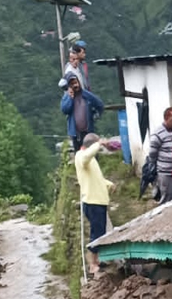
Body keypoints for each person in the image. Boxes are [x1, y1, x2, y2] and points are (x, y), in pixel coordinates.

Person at [74, 133, 114, 278]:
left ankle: (98, 260)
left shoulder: (91, 160)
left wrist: (108, 184)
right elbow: (85, 157)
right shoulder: (81, 156)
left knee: (100, 232)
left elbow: (97, 178)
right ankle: (92, 264)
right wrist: (99, 144)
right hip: (92, 201)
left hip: (99, 201)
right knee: (96, 234)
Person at [60, 73, 103, 152]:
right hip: (76, 134)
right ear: (69, 86)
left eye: (76, 82)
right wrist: (71, 98)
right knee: (79, 156)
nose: (75, 85)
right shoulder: (67, 97)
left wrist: (96, 115)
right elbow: (65, 110)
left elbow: (99, 104)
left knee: (91, 154)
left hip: (88, 132)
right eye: (72, 84)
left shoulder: (86, 95)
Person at [147, 107, 172, 203]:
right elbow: (152, 154)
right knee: (166, 198)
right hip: (165, 173)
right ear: (166, 119)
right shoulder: (157, 134)